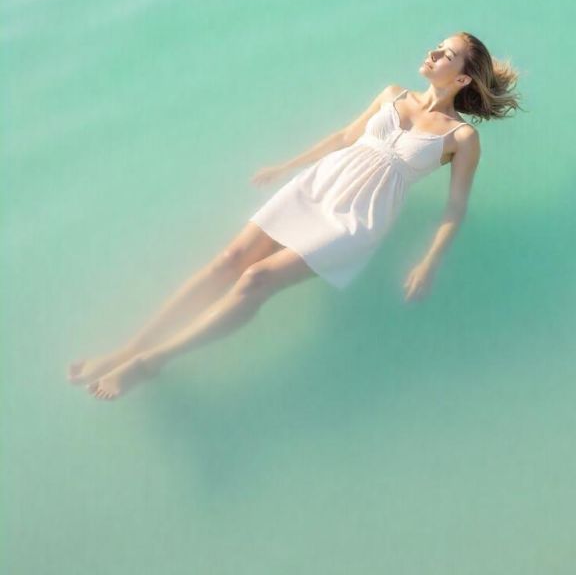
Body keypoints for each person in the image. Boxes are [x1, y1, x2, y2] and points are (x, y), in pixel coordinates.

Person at [67, 31, 521, 400]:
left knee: (254, 280)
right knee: (228, 260)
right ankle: (129, 347)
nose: (433, 52)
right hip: (317, 186)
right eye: (437, 45)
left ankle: (152, 362)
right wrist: (285, 168)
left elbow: (455, 208)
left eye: (447, 54)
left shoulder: (461, 138)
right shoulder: (392, 94)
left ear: (462, 80)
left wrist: (429, 261)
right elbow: (345, 137)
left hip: (357, 221)